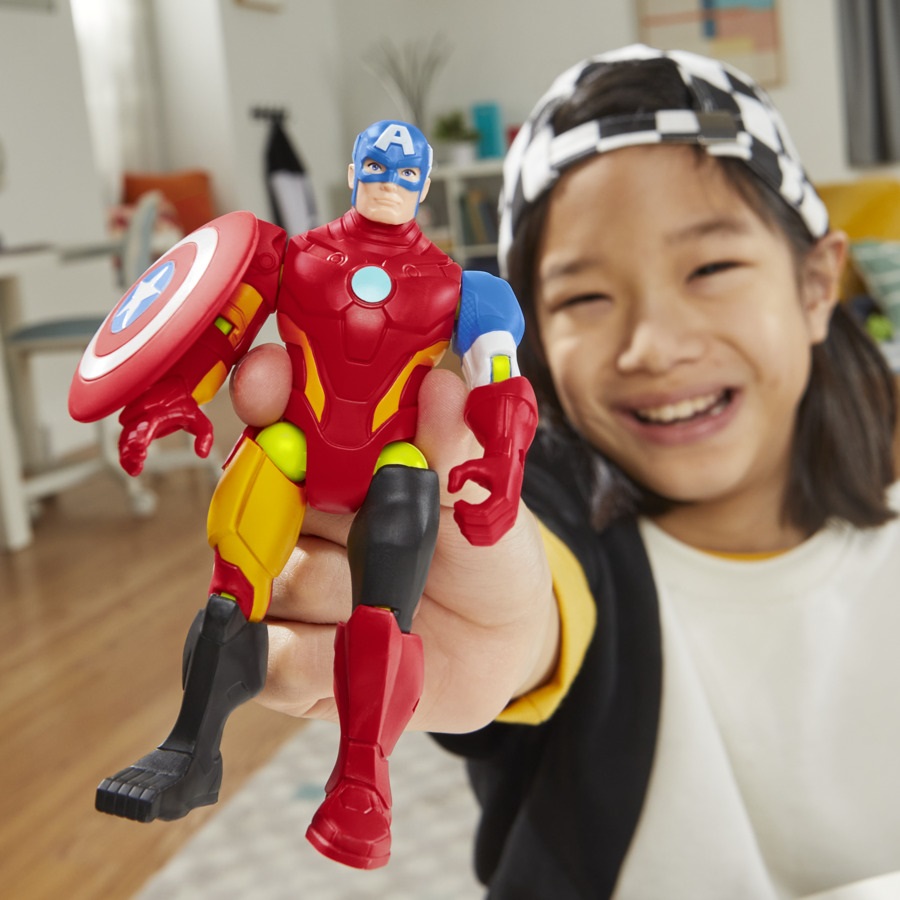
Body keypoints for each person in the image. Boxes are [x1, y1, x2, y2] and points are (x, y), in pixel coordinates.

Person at [248, 45, 900, 899]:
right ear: (536, 347)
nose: (653, 346)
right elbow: (538, 580)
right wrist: (507, 626)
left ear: (816, 285)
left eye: (711, 268)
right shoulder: (562, 518)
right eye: (584, 297)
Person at [74, 119, 537, 871]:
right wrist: (177, 393)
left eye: (405, 172)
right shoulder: (290, 257)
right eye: (376, 166)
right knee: (231, 588)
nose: (389, 182)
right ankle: (190, 752)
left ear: (423, 184)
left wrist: (504, 466)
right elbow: (221, 331)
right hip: (292, 443)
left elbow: (500, 382)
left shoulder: (463, 288)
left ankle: (363, 781)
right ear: (352, 171)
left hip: (392, 460)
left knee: (382, 619)